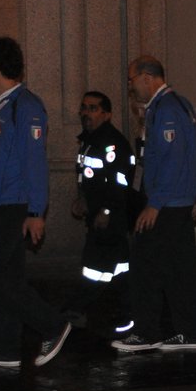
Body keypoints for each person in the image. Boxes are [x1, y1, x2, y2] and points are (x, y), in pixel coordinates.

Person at [0, 36, 73, 368]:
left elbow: (34, 161)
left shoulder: (25, 105)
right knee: (0, 276)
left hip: (13, 204)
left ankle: (53, 324)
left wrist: (37, 211)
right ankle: (6, 346)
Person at [113, 56, 196, 352]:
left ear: (146, 77)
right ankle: (189, 332)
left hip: (166, 205)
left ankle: (147, 331)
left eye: (131, 80)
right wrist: (192, 197)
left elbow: (172, 160)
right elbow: (194, 157)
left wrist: (154, 203)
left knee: (146, 268)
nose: (130, 87)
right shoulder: (176, 105)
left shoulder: (166, 109)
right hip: (177, 201)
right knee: (178, 271)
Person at [63, 90, 135, 331]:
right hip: (97, 214)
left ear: (107, 114)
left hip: (110, 216)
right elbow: (85, 174)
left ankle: (75, 309)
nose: (86, 113)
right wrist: (82, 198)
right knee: (121, 268)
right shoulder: (89, 140)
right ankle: (129, 314)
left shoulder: (113, 143)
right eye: (84, 107)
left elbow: (120, 182)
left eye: (93, 108)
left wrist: (105, 210)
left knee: (96, 266)